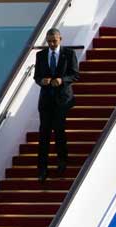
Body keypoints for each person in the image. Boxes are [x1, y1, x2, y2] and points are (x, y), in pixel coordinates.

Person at [34, 28, 79, 182]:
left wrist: (62, 80)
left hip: (62, 100)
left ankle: (62, 161)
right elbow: (36, 76)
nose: (52, 44)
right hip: (46, 100)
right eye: (49, 41)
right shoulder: (40, 55)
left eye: (54, 41)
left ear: (60, 39)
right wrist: (42, 81)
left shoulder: (69, 54)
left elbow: (75, 75)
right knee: (44, 134)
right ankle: (42, 168)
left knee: (59, 131)